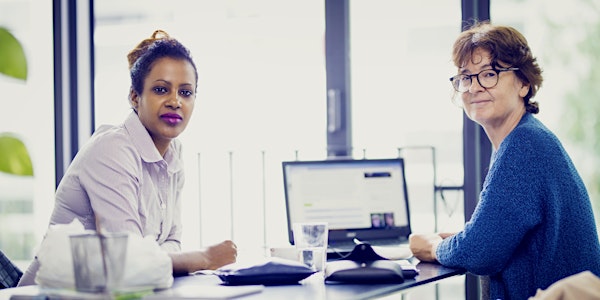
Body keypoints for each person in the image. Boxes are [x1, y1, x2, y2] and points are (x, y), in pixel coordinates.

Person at [18, 30, 237, 286]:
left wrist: (153, 260)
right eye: (160, 89)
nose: (175, 101)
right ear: (135, 97)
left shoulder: (174, 154)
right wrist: (205, 257)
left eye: (186, 92)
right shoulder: (111, 150)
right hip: (49, 295)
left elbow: (171, 242)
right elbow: (127, 262)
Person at [409, 21, 600, 300]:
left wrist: (433, 248)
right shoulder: (525, 138)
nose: (474, 87)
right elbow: (490, 235)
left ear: (524, 83)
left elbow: (482, 251)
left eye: (489, 74)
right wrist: (463, 239)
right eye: (466, 77)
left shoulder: (525, 144)